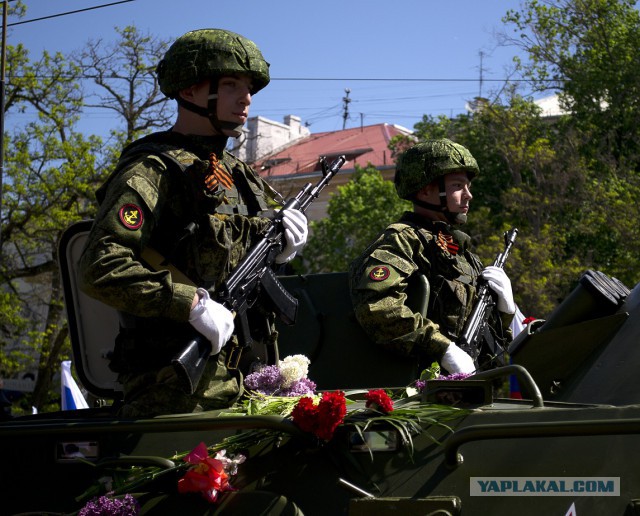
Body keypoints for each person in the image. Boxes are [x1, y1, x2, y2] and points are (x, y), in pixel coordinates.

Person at [78, 29, 308, 417]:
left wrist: (282, 253)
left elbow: (237, 262)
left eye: (249, 87)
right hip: (172, 390)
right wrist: (191, 305)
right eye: (232, 84)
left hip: (248, 379)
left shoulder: (243, 177)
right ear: (189, 91)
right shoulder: (153, 169)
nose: (246, 98)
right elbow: (100, 266)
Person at [349, 139, 514, 376]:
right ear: (426, 189)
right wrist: (443, 348)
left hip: (466, 389)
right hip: (418, 389)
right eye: (458, 186)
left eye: (468, 187)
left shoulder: (465, 255)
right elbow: (377, 307)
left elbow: (490, 345)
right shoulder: (403, 240)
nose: (469, 196)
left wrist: (505, 312)